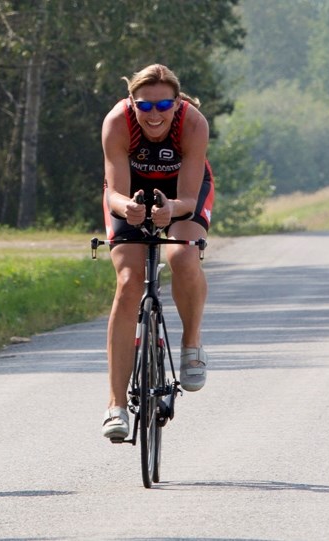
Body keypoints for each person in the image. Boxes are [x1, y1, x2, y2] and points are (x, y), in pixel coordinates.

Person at [100, 64, 213, 441]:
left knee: (181, 255)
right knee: (129, 282)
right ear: (131, 102)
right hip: (130, 194)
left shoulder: (192, 124)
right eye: (145, 105)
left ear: (177, 102)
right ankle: (116, 406)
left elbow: (189, 197)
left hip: (181, 194)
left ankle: (191, 343)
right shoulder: (117, 122)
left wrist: (171, 211)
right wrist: (125, 208)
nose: (154, 114)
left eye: (164, 104)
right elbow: (114, 190)